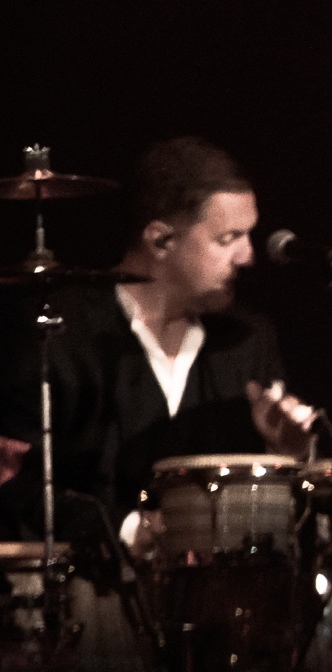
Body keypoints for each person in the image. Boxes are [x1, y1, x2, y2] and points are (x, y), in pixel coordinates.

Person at [0, 135, 315, 543]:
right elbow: (12, 483)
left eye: (248, 235)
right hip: (89, 575)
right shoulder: (60, 334)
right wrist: (134, 532)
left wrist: (288, 451)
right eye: (228, 239)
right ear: (161, 240)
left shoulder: (247, 339)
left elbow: (280, 513)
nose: (248, 256)